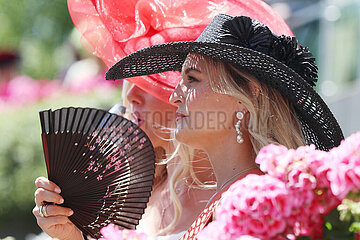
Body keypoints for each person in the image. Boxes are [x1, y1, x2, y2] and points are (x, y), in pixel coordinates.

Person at [33, 1, 295, 239]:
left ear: (244, 94)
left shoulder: (256, 198)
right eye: (131, 80)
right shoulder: (130, 188)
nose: (131, 95)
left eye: (153, 82)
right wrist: (71, 235)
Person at [105, 14, 344, 239]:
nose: (175, 96)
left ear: (245, 96)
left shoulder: (257, 205)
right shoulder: (231, 199)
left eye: (192, 79)